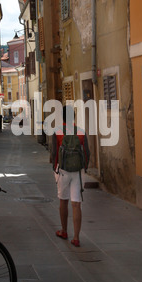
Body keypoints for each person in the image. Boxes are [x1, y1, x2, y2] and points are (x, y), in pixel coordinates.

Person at [51, 105, 90, 247]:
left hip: (63, 171)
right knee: (76, 203)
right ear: (73, 117)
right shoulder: (80, 132)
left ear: (62, 117)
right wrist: (84, 168)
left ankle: (64, 230)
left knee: (63, 200)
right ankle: (76, 237)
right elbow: (87, 152)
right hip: (78, 172)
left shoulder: (58, 132)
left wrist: (55, 168)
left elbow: (54, 153)